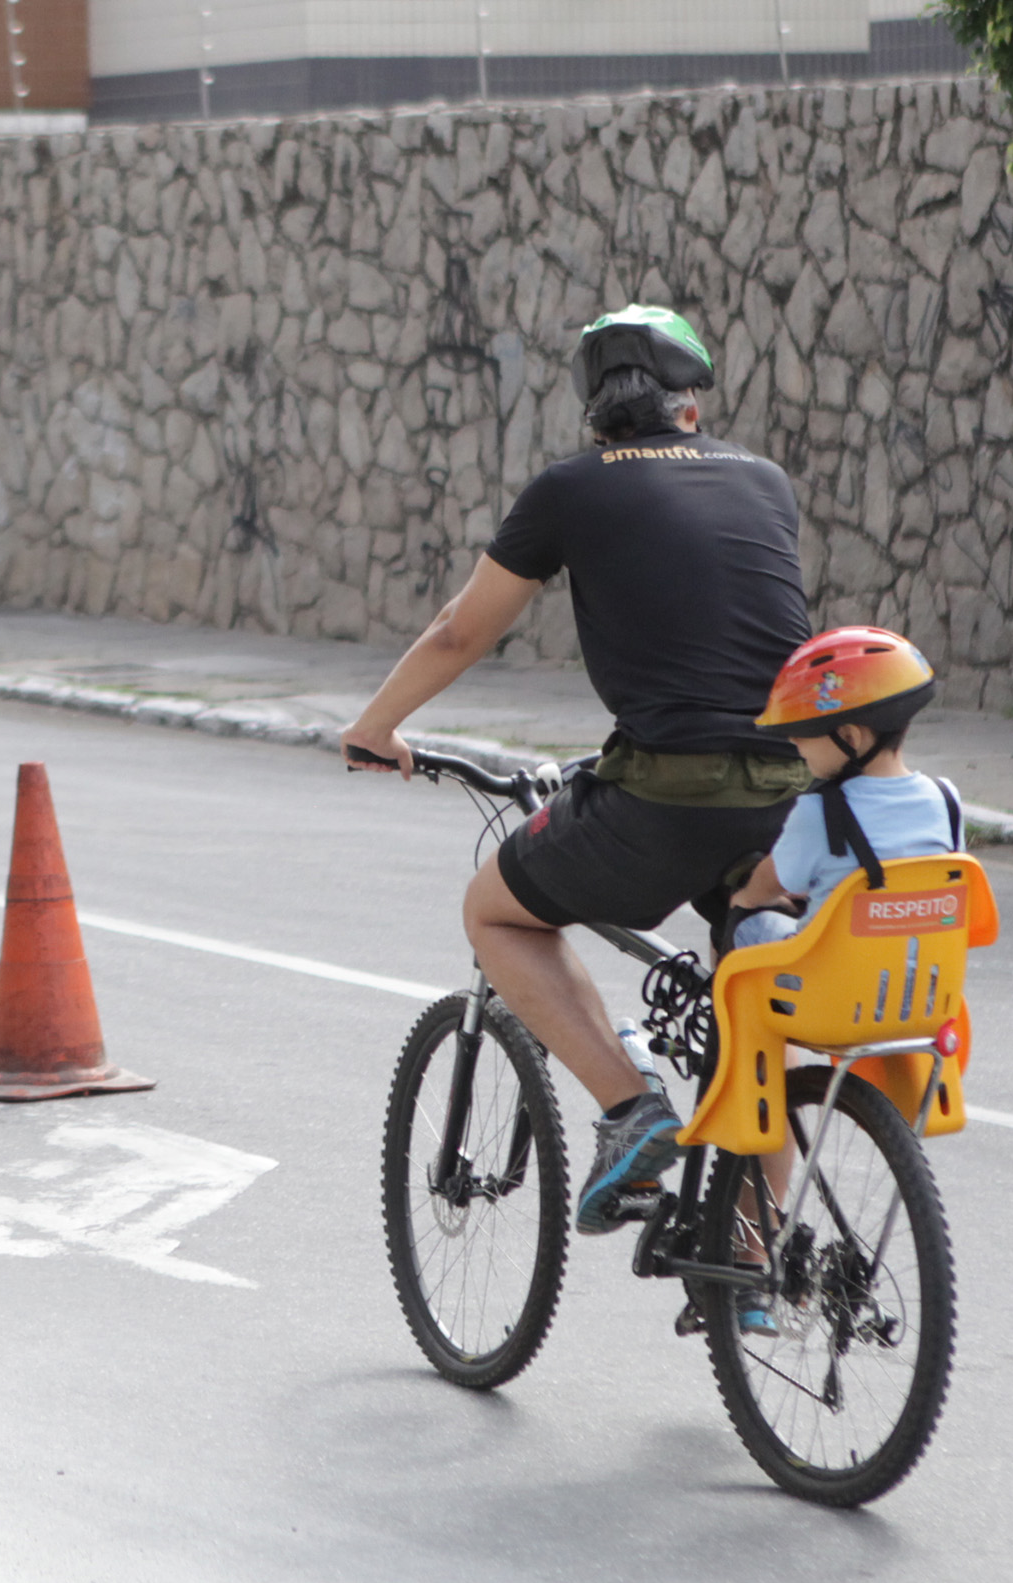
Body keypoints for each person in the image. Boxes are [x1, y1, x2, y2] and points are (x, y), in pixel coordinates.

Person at [343, 305, 812, 1236]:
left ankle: (634, 1113)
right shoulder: (764, 480)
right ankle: (753, 1261)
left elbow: (461, 630)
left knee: (495, 910)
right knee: (750, 1018)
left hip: (667, 792)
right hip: (794, 799)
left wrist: (376, 727)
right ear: (691, 406)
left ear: (598, 415)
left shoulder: (571, 489)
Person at [727, 627, 961, 947]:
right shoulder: (947, 801)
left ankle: (724, 996)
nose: (794, 743)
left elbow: (767, 885)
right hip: (925, 988)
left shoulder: (819, 813)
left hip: (831, 988)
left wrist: (745, 897)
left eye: (803, 733)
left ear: (850, 738)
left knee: (742, 916)